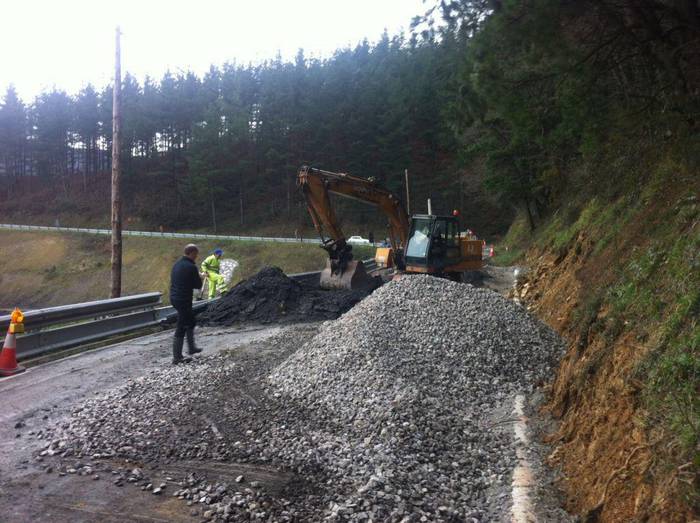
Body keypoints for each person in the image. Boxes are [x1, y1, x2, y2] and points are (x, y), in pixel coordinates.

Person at [170, 244, 204, 364]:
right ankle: (177, 357)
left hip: (175, 298)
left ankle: (191, 348)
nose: (197, 256)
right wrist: (200, 276)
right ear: (192, 253)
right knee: (182, 325)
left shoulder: (177, 264)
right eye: (196, 254)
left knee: (191, 321)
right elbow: (198, 286)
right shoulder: (191, 266)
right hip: (183, 299)